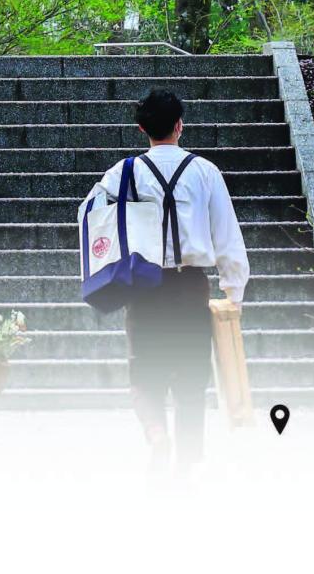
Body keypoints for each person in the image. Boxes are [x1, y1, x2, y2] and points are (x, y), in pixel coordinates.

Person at [94, 87, 250, 467]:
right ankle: (187, 467)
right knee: (191, 379)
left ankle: (156, 435)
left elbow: (93, 220)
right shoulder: (205, 171)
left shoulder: (121, 173)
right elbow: (227, 235)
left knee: (144, 375)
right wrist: (234, 291)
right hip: (189, 286)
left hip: (143, 287)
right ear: (180, 125)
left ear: (141, 128)